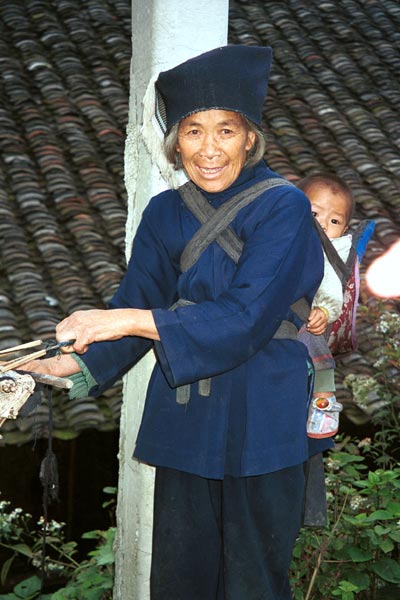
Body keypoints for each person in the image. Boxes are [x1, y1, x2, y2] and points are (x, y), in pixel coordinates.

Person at [24, 45, 332, 600]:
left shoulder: (284, 206)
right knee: (181, 580)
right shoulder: (165, 213)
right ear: (176, 142)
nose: (209, 150)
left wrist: (119, 319)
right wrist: (73, 365)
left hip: (264, 413)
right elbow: (139, 298)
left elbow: (245, 317)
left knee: (253, 584)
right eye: (193, 131)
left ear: (250, 137)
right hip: (188, 416)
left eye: (226, 131)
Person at [297, 173, 354, 439]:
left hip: (315, 312)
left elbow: (331, 285)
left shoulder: (335, 248)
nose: (322, 226)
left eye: (334, 221)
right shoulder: (286, 233)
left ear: (344, 229)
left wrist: (324, 310)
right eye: (314, 214)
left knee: (316, 347)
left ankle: (325, 401)